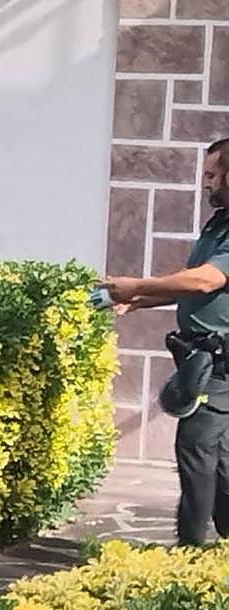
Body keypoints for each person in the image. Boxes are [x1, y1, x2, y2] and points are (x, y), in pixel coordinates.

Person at [101, 136, 229, 546]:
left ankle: (191, 551)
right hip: (200, 357)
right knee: (220, 459)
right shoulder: (219, 223)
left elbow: (209, 278)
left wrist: (137, 283)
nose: (205, 183)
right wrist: (141, 299)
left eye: (212, 174)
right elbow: (193, 286)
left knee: (194, 449)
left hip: (218, 363)